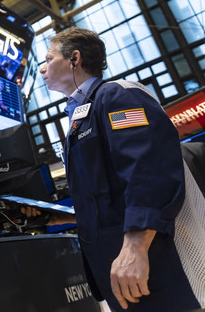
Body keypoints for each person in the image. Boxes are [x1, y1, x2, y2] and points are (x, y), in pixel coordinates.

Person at [30, 26, 205, 311]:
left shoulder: (116, 95)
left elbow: (148, 170)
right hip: (123, 270)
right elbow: (104, 194)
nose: (42, 69)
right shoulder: (79, 116)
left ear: (74, 58)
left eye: (48, 59)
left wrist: (135, 245)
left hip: (154, 260)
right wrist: (55, 217)